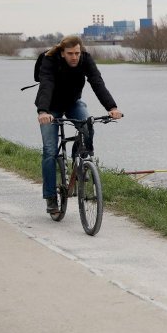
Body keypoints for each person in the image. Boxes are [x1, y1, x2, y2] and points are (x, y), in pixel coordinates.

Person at [35, 35, 123, 214]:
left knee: (88, 126)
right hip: (50, 107)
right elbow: (46, 84)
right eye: (70, 53)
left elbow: (97, 82)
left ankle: (80, 160)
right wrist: (43, 112)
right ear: (62, 53)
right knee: (50, 151)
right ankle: (51, 197)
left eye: (77, 53)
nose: (74, 57)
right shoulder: (50, 60)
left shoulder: (85, 60)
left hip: (73, 102)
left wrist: (112, 107)